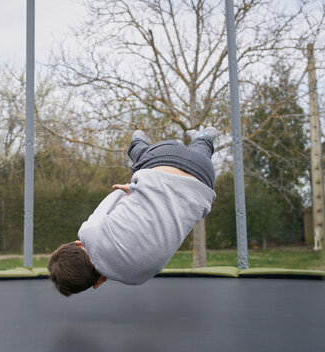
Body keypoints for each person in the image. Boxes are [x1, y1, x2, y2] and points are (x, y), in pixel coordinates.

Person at [47, 127, 218, 296]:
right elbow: (116, 195)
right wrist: (130, 190)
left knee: (196, 161)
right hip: (162, 158)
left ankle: (203, 140)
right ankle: (137, 140)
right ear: (78, 243)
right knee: (138, 163)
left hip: (203, 179)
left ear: (98, 282)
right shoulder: (88, 233)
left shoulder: (137, 279)